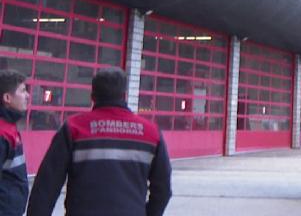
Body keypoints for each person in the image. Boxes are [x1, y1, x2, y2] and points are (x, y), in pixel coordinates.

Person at [27, 68, 172, 216]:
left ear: (93, 96)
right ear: (124, 95)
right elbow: (163, 189)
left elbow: (47, 185)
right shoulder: (151, 133)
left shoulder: (74, 128)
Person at [0, 70, 29, 216]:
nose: (27, 96)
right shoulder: (2, 132)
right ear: (7, 97)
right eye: (23, 91)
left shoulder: (9, 127)